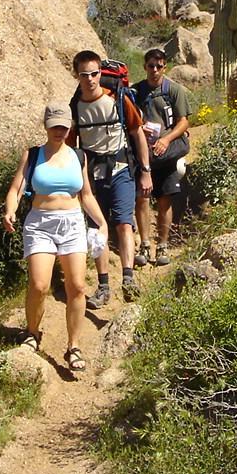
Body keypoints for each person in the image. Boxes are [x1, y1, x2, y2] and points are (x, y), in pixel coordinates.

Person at [2, 102, 109, 373]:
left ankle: (73, 346)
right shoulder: (33, 154)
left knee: (77, 286)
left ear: (70, 126)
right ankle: (32, 332)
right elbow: (16, 189)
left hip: (72, 223)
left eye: (64, 126)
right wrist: (10, 210)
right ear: (46, 126)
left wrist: (102, 222)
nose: (59, 131)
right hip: (40, 223)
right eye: (54, 126)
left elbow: (86, 195)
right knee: (39, 285)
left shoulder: (79, 156)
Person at [66, 50, 152, 307]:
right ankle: (103, 286)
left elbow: (137, 133)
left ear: (100, 73)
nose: (91, 79)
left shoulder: (118, 99)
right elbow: (71, 147)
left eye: (95, 73)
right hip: (92, 175)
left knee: (124, 223)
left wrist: (145, 172)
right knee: (96, 228)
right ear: (77, 75)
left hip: (121, 168)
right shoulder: (75, 107)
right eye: (85, 75)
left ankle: (128, 279)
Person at [131, 47, 192, 267]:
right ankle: (145, 245)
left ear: (164, 67)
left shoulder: (174, 90)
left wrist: (166, 140)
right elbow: (130, 119)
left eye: (159, 66)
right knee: (143, 198)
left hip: (166, 154)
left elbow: (183, 121)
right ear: (145, 66)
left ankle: (163, 244)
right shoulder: (137, 91)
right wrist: (140, 128)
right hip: (144, 153)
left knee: (165, 199)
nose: (155, 70)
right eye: (151, 66)